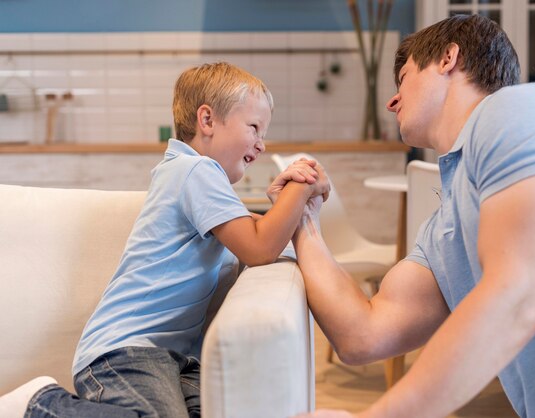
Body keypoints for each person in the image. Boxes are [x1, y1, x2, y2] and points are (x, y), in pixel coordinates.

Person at [291, 14, 535, 418]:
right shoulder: (446, 227)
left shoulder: (517, 109)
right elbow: (363, 335)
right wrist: (304, 219)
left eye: (404, 77)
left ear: (448, 57)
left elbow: (517, 298)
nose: (392, 101)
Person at [0, 62, 329, 417]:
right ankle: (40, 405)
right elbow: (260, 247)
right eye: (254, 128)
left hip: (177, 359)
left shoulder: (196, 178)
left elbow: (263, 235)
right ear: (207, 121)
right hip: (126, 350)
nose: (261, 145)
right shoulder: (194, 171)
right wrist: (302, 184)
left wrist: (283, 204)